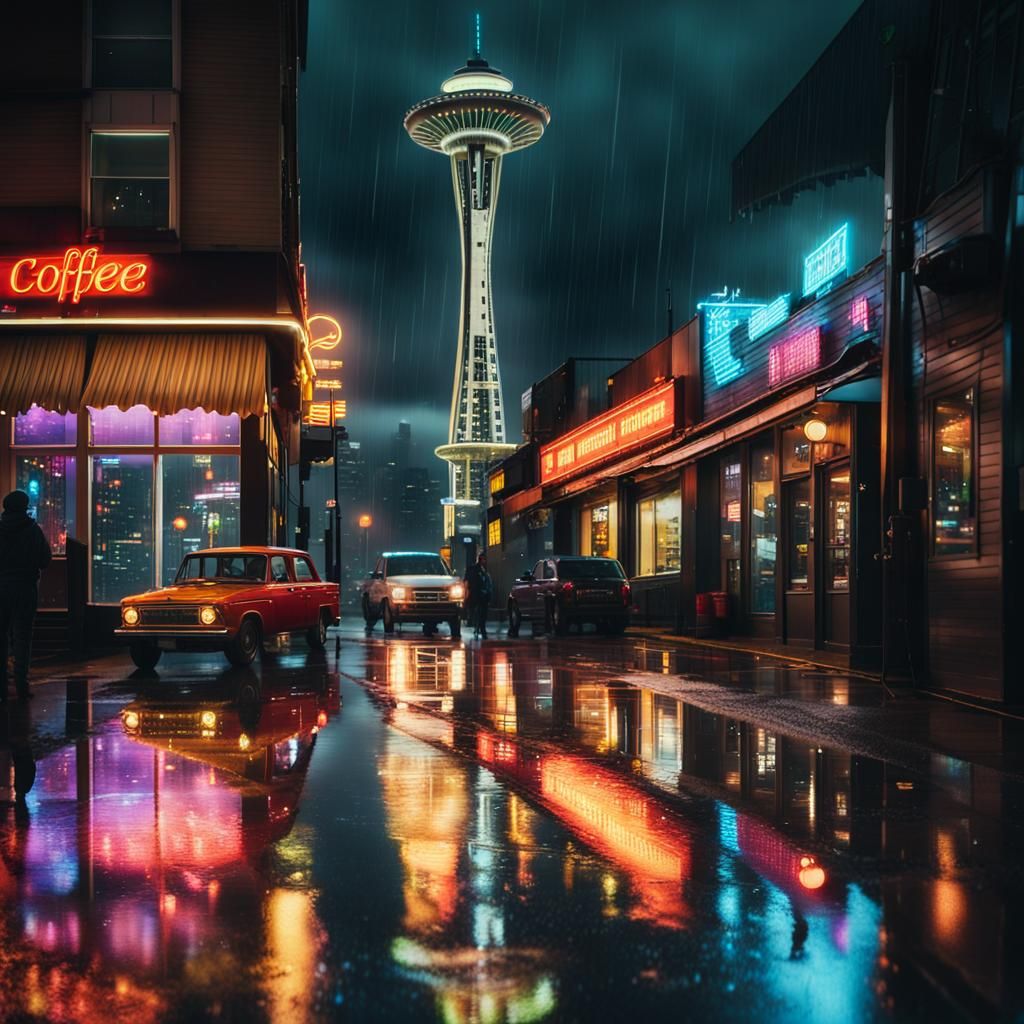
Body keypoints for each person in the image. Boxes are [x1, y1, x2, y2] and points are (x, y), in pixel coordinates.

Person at [0, 490, 52, 701]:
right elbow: (45, 559)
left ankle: (1, 688)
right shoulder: (33, 531)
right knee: (23, 637)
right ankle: (21, 684)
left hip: (1, 588)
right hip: (26, 588)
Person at [464, 552, 493, 639]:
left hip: (480, 595)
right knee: (480, 613)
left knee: (481, 613)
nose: (485, 561)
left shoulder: (482, 570)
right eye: (484, 559)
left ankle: (479, 628)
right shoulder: (476, 570)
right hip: (477, 594)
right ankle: (480, 629)